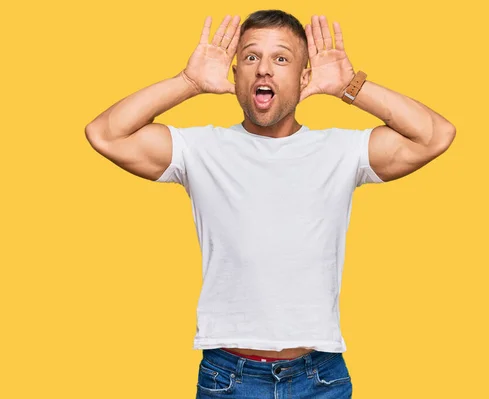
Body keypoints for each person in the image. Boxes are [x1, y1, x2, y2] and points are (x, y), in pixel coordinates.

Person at [85, 9, 456, 399]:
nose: (264, 69)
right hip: (228, 379)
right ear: (235, 75)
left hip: (321, 379)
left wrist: (351, 85)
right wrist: (188, 82)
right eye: (250, 57)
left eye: (281, 58)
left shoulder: (340, 150)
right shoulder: (200, 149)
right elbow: (106, 134)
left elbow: (435, 135)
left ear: (304, 77)